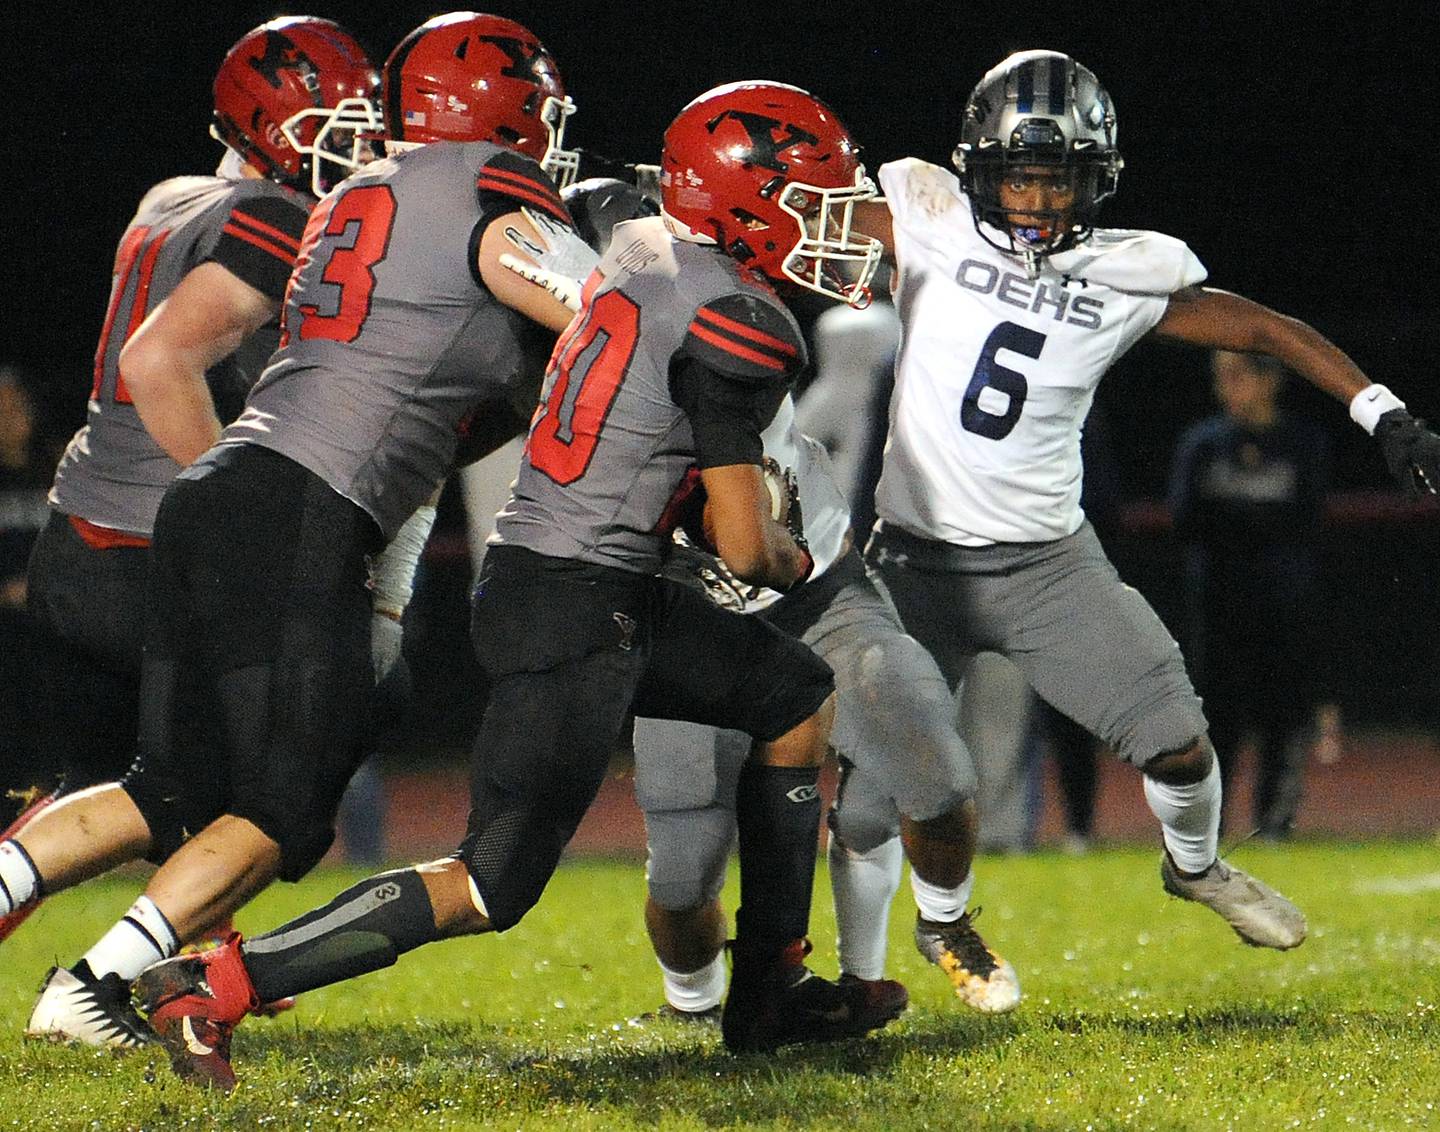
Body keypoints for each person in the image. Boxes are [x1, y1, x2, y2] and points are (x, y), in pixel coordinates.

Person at [130, 78, 908, 1091]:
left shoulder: (638, 249)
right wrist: (794, 556)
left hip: (570, 574)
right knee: (491, 880)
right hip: (578, 604)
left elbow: (607, 218)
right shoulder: (742, 324)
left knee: (792, 694)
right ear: (743, 203)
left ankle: (767, 993)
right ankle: (216, 980)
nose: (826, 227)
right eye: (810, 202)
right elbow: (748, 550)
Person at [0, 10, 582, 1051]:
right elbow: (598, 318)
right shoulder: (472, 193)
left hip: (189, 502)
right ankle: (96, 986)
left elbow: (418, 391)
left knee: (169, 786)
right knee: (287, 807)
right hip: (285, 509)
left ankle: (75, 952)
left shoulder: (347, 196)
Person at [852, 49, 1440, 952]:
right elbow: (777, 218)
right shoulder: (928, 223)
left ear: (1096, 182)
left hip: (1048, 565)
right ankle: (908, 944)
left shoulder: (1125, 278)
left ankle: (1195, 867)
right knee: (869, 795)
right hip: (911, 556)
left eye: (1059, 181)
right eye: (1020, 178)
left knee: (1179, 745)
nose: (1039, 202)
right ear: (979, 170)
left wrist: (1384, 412)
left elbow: (1266, 329)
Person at [0, 15, 380, 964]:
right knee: (277, 790)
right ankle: (142, 976)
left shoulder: (174, 193)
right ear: (272, 125)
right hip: (148, 548)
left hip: (81, 533)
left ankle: (156, 956)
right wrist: (232, 501)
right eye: (338, 122)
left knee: (169, 780)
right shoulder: (278, 215)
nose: (362, 142)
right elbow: (156, 363)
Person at [1169, 350, 1337, 838]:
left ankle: (1274, 827)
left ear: (1271, 380)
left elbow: (1306, 523)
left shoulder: (1303, 443)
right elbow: (1186, 520)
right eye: (1222, 376)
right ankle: (1209, 831)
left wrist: (1241, 525)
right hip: (1218, 607)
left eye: (1239, 375)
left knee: (1283, 718)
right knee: (1216, 723)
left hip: (1284, 606)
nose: (1228, 387)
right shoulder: (1201, 444)